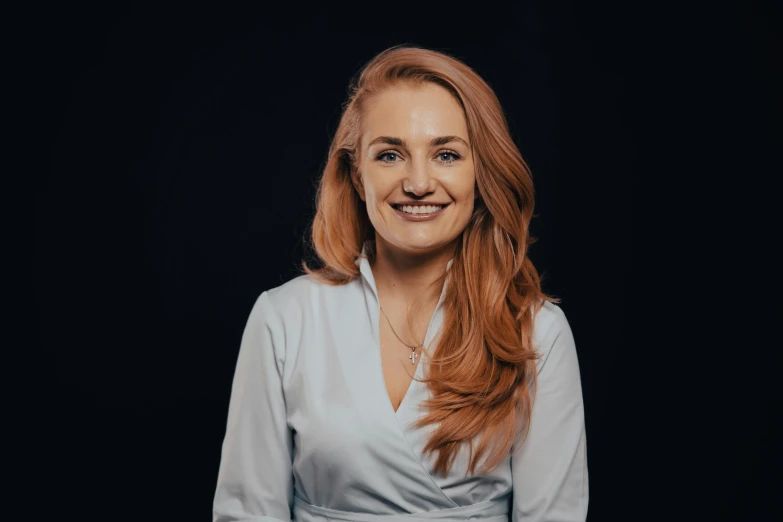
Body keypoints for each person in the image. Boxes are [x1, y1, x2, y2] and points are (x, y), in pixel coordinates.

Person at [212, 45, 588, 522]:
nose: (417, 182)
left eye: (446, 154)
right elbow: (247, 512)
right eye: (390, 154)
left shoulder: (536, 331)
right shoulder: (283, 318)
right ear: (355, 173)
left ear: (482, 172)